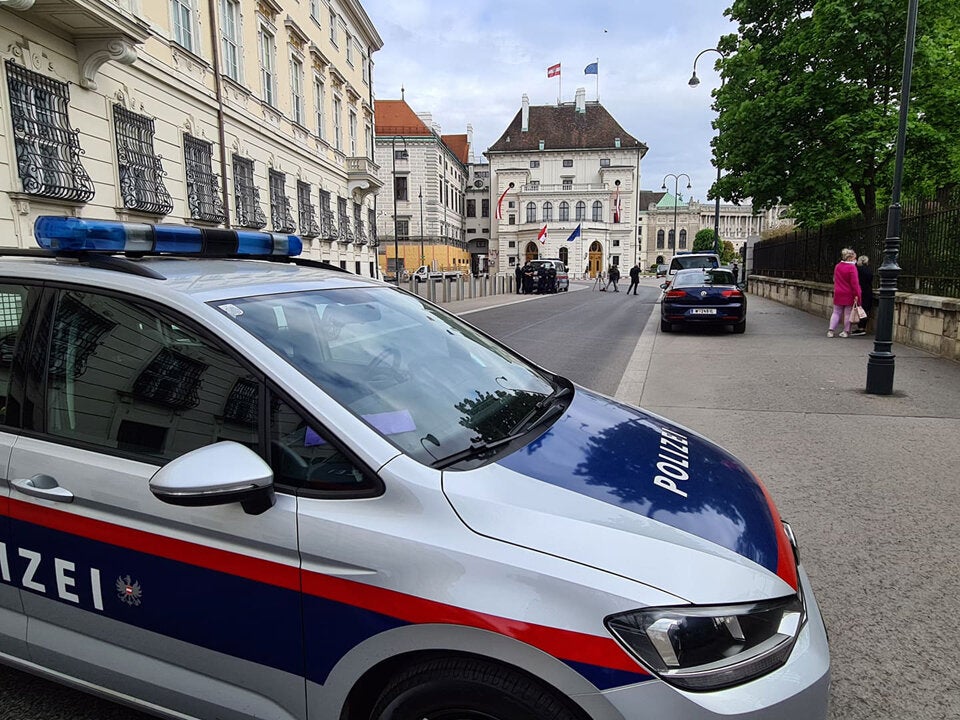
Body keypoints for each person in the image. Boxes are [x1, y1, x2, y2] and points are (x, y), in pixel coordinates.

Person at [827, 248, 861, 338]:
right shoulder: (852, 267)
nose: (855, 260)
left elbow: (835, 279)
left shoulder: (837, 266)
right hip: (849, 293)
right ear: (850, 258)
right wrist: (857, 295)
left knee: (836, 312)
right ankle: (845, 331)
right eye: (854, 258)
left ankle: (831, 330)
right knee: (848, 313)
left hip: (838, 292)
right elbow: (855, 284)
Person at [852, 255, 873, 335]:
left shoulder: (856, 269)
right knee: (865, 309)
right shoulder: (869, 270)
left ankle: (860, 327)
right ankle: (862, 327)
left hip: (859, 290)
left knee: (858, 308)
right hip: (867, 291)